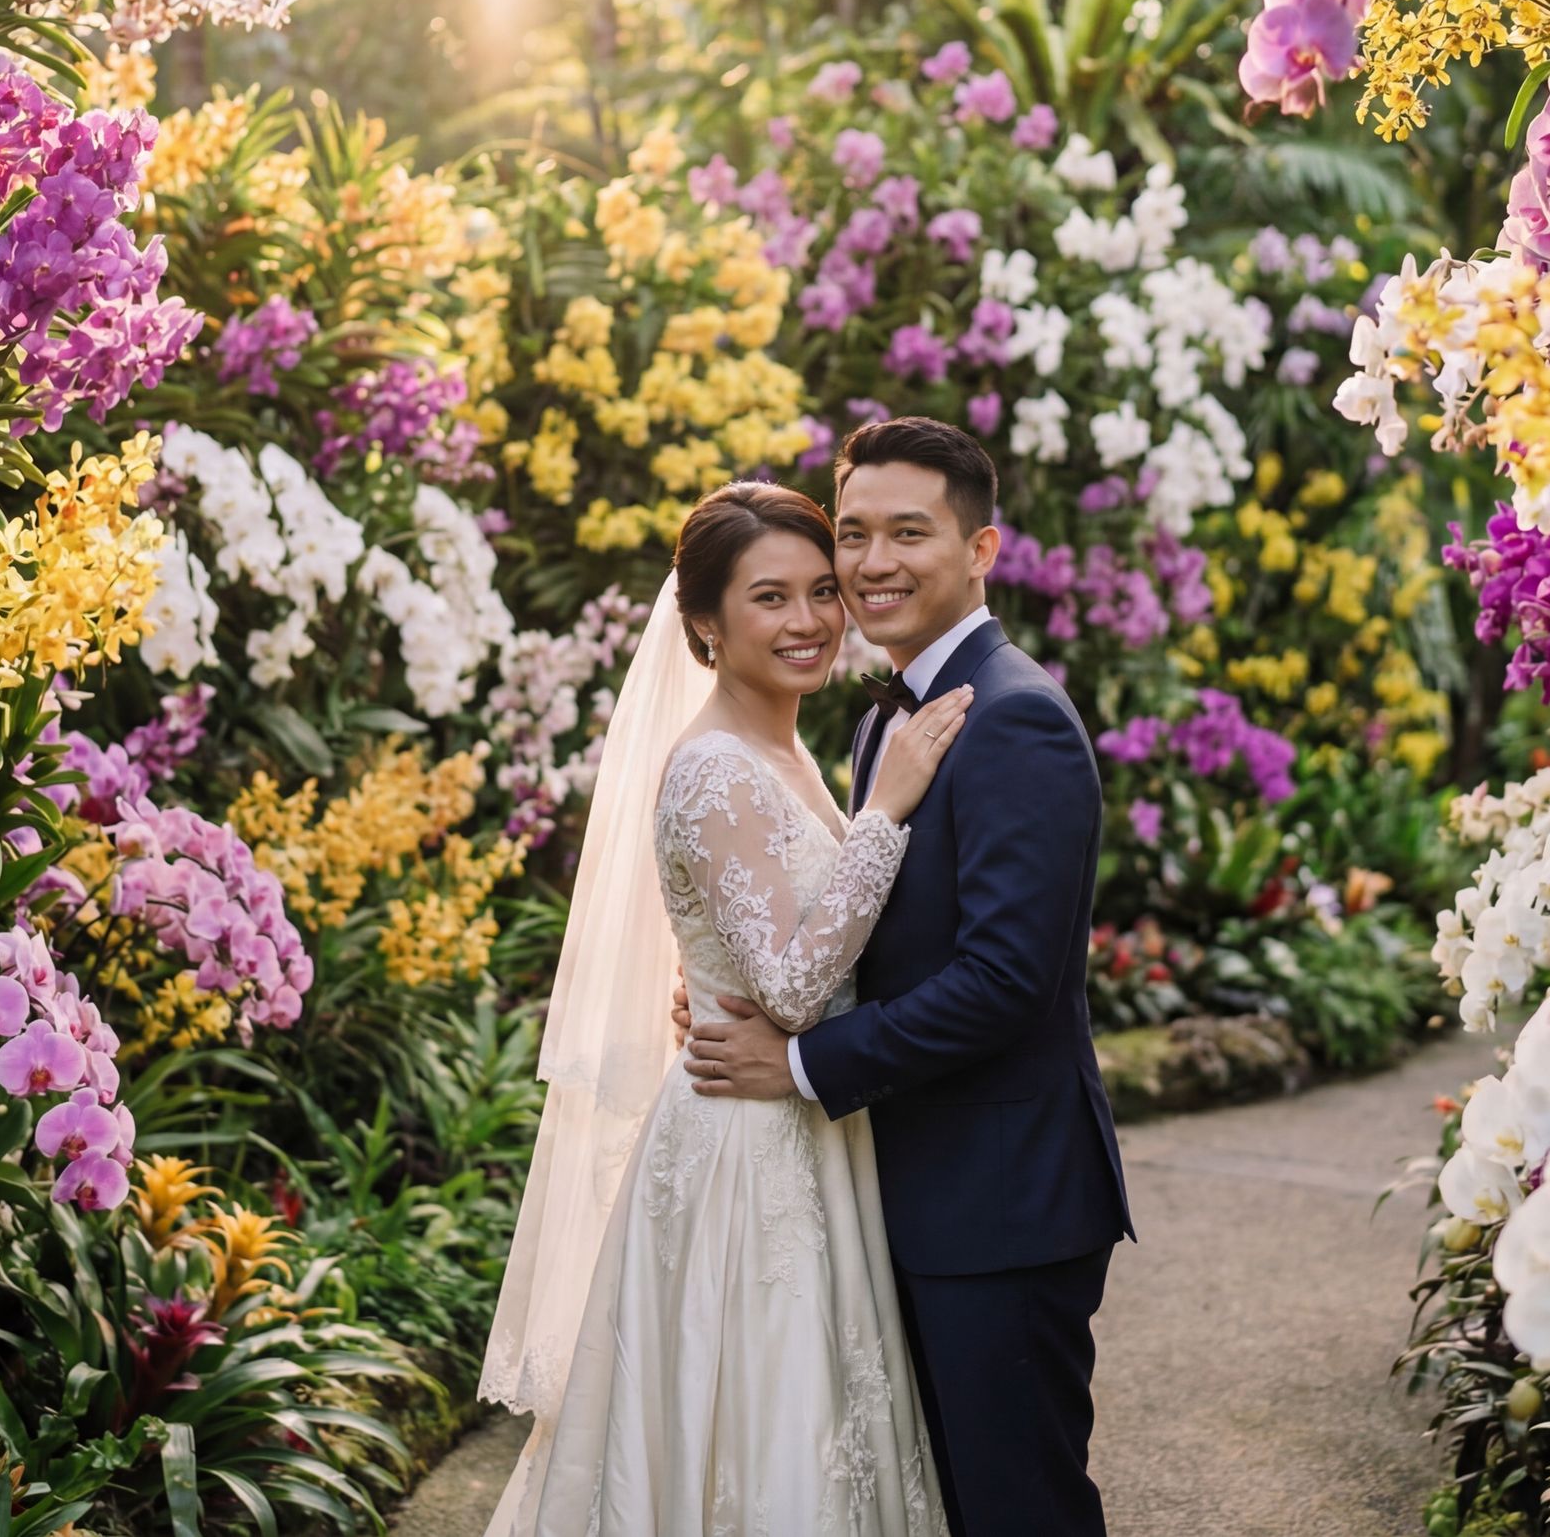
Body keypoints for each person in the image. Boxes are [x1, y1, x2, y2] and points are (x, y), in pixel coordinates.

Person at [479, 479, 972, 1535]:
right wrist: (885, 814)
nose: (809, 622)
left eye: (821, 592)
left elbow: (768, 941)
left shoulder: (785, 751)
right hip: (746, 1152)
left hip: (798, 1124)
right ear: (705, 622)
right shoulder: (713, 768)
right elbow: (792, 988)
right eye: (770, 598)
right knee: (759, 1417)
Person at [685, 417, 1133, 1537]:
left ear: (980, 549)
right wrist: (735, 983)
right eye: (853, 533)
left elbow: (1004, 982)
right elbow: (869, 928)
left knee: (1019, 1508)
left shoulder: (1013, 719)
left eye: (908, 533)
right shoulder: (896, 718)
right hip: (915, 1187)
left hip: (1000, 1201)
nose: (871, 562)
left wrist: (797, 1061)